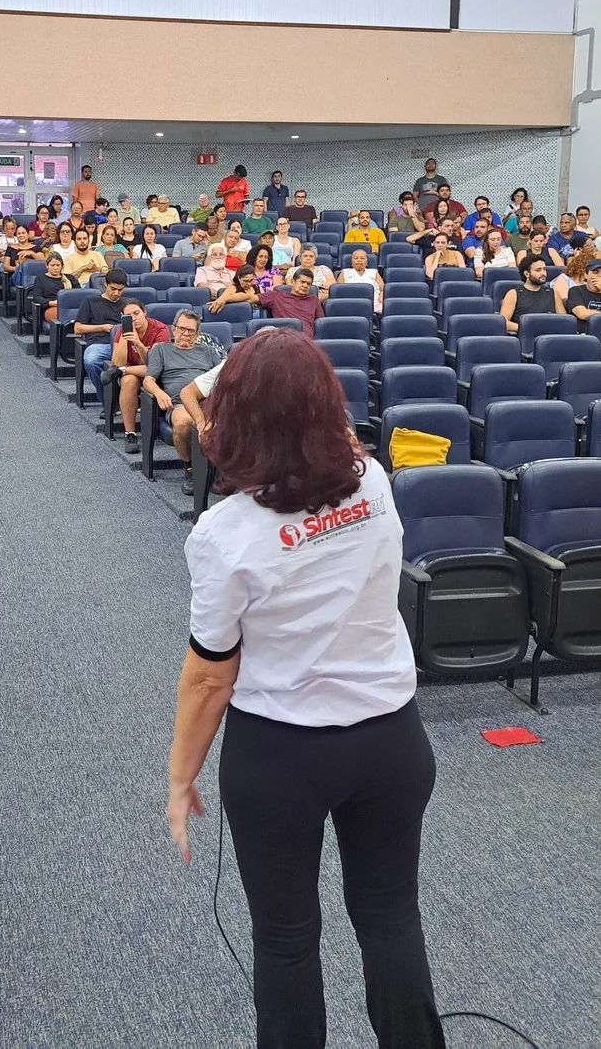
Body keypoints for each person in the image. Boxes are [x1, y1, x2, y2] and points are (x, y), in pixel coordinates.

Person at [168, 330, 444, 1048]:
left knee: (286, 941)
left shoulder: (225, 532)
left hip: (281, 755)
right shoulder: (374, 482)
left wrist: (180, 778)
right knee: (391, 919)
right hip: (390, 741)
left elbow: (209, 675)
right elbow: (334, 447)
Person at [143, 310, 222, 494]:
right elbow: (148, 380)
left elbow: (221, 377)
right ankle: (191, 468)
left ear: (198, 333)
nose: (186, 334)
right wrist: (159, 393)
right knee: (183, 421)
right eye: (182, 329)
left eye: (191, 331)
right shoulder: (161, 350)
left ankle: (221, 469)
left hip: (208, 400)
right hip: (179, 403)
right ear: (173, 329)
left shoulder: (209, 351)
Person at [111, 300, 171, 453]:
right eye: (128, 316)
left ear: (144, 312)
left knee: (133, 372)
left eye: (136, 313)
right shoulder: (122, 330)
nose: (134, 318)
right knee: (128, 381)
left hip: (155, 372)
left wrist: (138, 343)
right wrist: (125, 337)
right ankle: (130, 433)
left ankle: (124, 371)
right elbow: (117, 362)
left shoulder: (160, 329)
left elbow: (154, 365)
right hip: (133, 372)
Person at [75, 270, 128, 415]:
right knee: (92, 361)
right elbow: (78, 328)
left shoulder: (127, 304)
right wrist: (102, 327)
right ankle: (109, 402)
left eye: (120, 290)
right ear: (105, 284)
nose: (116, 293)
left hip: (123, 343)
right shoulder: (91, 301)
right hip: (99, 342)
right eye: (113, 289)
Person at [499, 255, 563, 332]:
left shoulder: (553, 293)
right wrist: (531, 329)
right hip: (523, 336)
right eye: (538, 270)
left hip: (549, 335)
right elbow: (503, 323)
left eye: (544, 269)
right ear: (527, 274)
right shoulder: (513, 294)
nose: (543, 273)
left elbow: (564, 320)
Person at [256, 267, 325, 337]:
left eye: (308, 284)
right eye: (302, 282)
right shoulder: (277, 296)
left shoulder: (314, 300)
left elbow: (321, 325)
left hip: (308, 340)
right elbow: (251, 299)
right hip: (286, 338)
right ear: (292, 281)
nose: (305, 286)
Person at [32, 253, 76, 322]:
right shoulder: (40, 278)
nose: (55, 268)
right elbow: (37, 297)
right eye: (52, 265)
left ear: (62, 265)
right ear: (47, 265)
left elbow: (78, 294)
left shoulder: (70, 278)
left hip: (69, 307)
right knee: (60, 315)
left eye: (58, 265)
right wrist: (51, 303)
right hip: (51, 307)